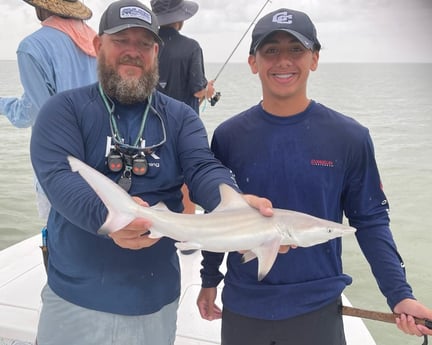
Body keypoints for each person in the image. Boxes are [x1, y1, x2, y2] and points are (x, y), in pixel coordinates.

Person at [30, 1, 271, 344]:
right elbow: (58, 177)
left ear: (156, 52)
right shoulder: (64, 110)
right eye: (121, 40)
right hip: (74, 298)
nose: (133, 51)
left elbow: (201, 166)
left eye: (144, 43)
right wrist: (110, 218)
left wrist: (232, 202)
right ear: (98, 46)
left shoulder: (180, 118)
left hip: (153, 302)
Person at [197, 8, 432, 345]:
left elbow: (370, 220)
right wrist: (209, 279)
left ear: (315, 59)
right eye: (270, 50)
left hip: (317, 307)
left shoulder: (349, 136)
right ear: (253, 62)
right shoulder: (229, 135)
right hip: (244, 305)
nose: (283, 62)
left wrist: (399, 294)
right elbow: (219, 218)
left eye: (296, 50)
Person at [0, 0, 97, 220]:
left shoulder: (32, 47)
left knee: (58, 243)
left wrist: (2, 104)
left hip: (58, 170)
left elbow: (36, 113)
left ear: (40, 7)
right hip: (103, 164)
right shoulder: (99, 41)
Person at [150, 0, 215, 218]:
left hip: (149, 125)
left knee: (151, 175)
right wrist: (209, 90)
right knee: (186, 181)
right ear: (180, 18)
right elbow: (198, 90)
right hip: (182, 127)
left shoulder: (147, 44)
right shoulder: (191, 47)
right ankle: (185, 239)